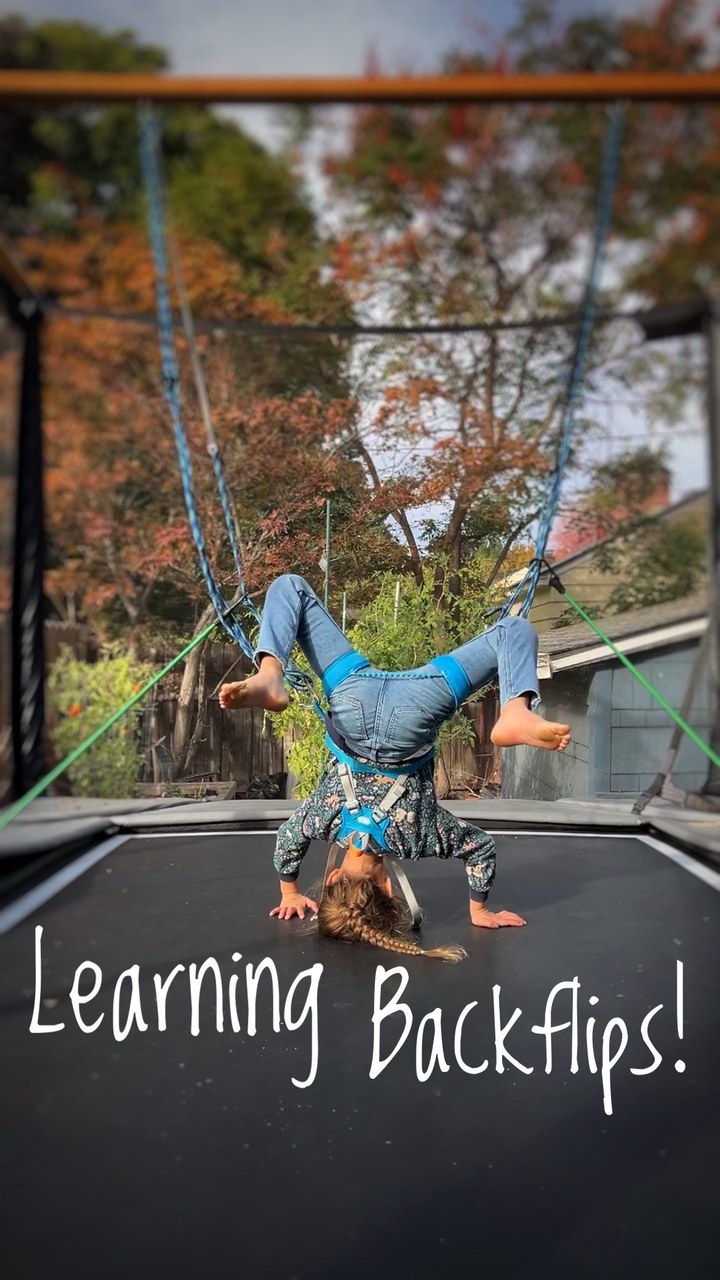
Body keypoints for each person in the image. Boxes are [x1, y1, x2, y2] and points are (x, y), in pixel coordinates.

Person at [220, 574, 570, 962]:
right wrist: (289, 891)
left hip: (417, 708)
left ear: (388, 888)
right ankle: (270, 673)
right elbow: (287, 841)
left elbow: (480, 849)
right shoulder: (323, 820)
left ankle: (515, 710)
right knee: (289, 586)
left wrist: (479, 909)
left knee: (515, 630)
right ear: (333, 878)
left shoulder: (418, 839)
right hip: (354, 697)